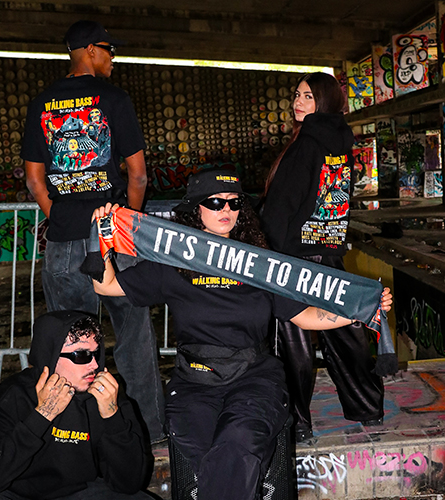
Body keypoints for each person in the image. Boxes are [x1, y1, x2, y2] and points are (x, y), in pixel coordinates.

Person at [91, 168, 393, 500]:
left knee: (236, 446)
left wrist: (361, 310)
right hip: (194, 383)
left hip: (254, 379)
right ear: (195, 209)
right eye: (215, 202)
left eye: (234, 203)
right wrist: (100, 238)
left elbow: (305, 317)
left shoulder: (260, 264)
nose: (226, 210)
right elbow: (106, 285)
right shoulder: (172, 263)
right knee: (207, 452)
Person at [22, 20, 165, 442]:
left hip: (64, 238)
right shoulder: (114, 99)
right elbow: (137, 175)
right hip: (113, 233)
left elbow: (34, 180)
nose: (113, 58)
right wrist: (127, 222)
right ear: (89, 50)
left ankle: (76, 433)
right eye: (108, 49)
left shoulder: (40, 103)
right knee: (134, 335)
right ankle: (150, 431)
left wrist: (63, 214)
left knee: (70, 343)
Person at [260, 72, 385, 444]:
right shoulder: (341, 144)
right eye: (297, 95)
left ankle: (296, 421)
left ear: (324, 102)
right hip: (328, 252)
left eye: (308, 96)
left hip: (293, 258)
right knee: (345, 333)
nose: (298, 102)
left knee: (292, 344)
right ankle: (367, 407)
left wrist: (267, 255)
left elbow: (281, 208)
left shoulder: (305, 145)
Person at [0, 310, 153, 500]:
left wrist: (112, 418)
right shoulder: (13, 396)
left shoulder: (105, 396)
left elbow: (129, 484)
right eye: (82, 355)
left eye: (96, 353)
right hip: (18, 494)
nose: (94, 365)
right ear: (51, 354)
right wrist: (41, 416)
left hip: (80, 493)